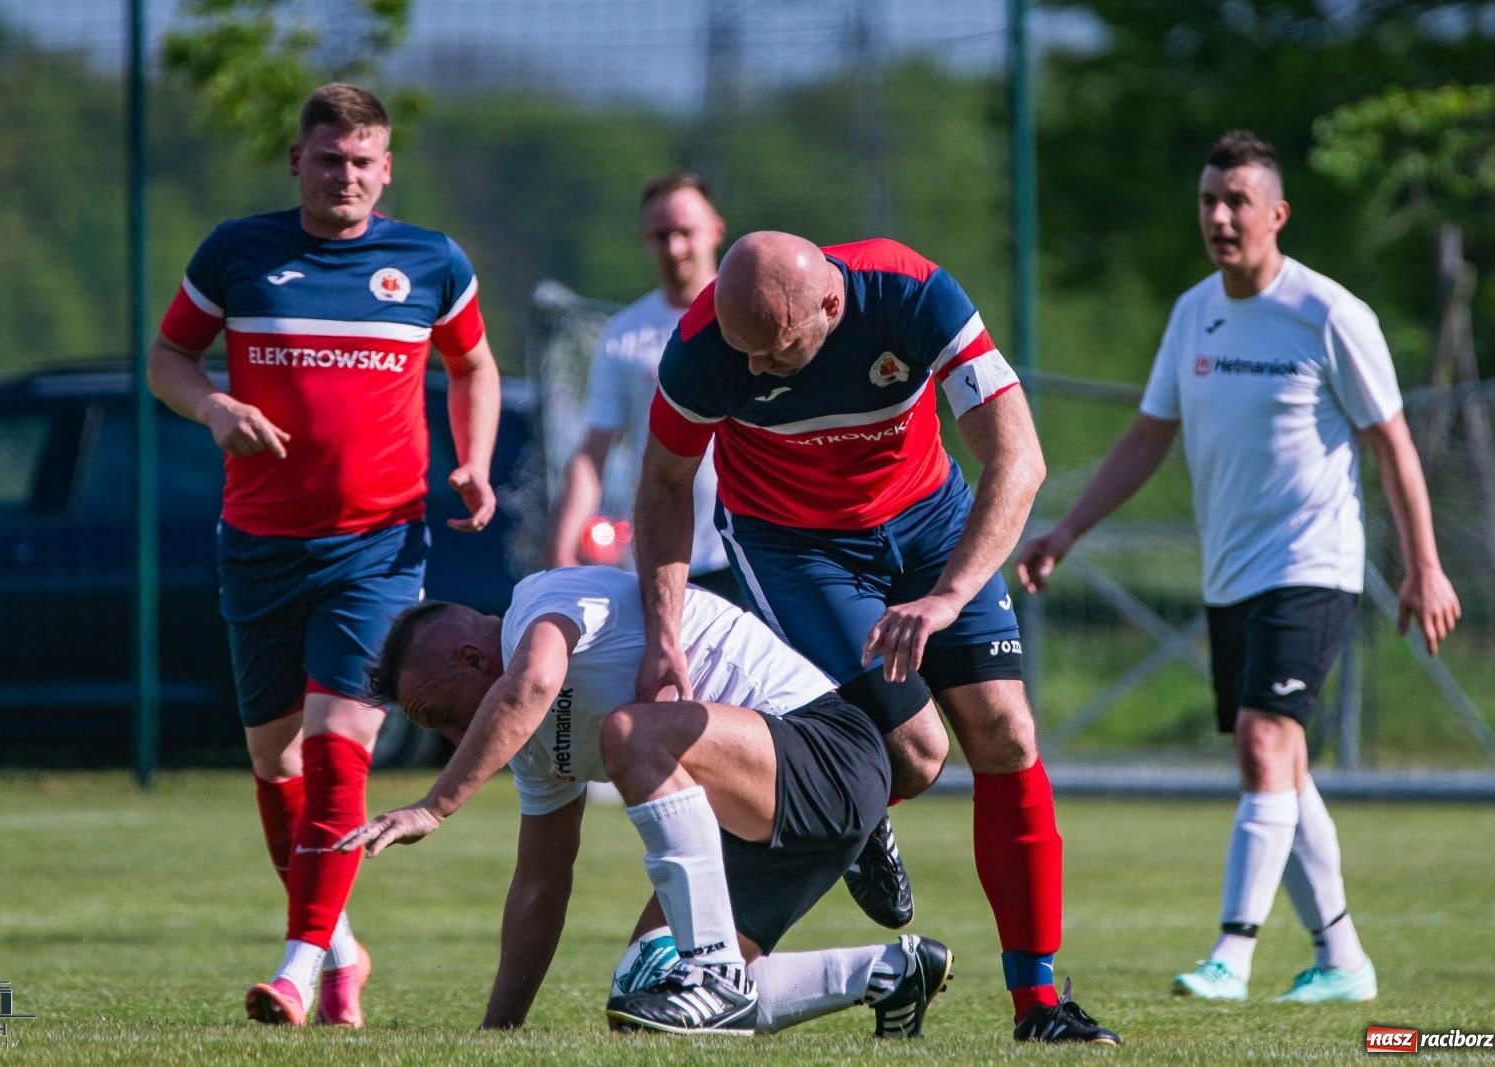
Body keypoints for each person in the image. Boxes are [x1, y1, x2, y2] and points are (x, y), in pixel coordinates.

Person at [633, 231, 1120, 1045]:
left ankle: (1039, 1007)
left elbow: (1018, 455)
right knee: (915, 752)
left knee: (1006, 731)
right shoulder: (707, 347)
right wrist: (662, 632)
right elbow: (663, 482)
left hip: (929, 523)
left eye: (774, 350)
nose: (752, 371)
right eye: (741, 350)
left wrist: (950, 595)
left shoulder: (910, 292)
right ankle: (701, 949)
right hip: (796, 546)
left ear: (831, 303)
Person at [1016, 130, 1461, 1004]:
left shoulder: (1329, 313)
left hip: (1315, 563)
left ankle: (1232, 951)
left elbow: (1393, 444)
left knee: (1265, 743)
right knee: (1282, 769)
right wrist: (1064, 530)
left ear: (1277, 214)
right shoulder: (1194, 314)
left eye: (1237, 202)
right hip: (1233, 575)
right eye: (1208, 202)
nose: (1219, 217)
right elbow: (1149, 435)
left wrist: (1425, 566)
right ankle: (1343, 961)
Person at [146, 83, 502, 1028]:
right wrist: (214, 406)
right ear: (297, 162)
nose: (345, 174)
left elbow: (472, 363)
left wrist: (474, 458)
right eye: (329, 157)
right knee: (275, 761)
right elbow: (167, 359)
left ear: (386, 170)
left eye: (363, 160)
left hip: (379, 543)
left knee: (342, 736)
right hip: (259, 542)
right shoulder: (238, 252)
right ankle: (339, 943)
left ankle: (298, 965)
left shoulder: (430, 261)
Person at [335, 566, 955, 1037]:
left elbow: (532, 683)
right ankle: (890, 973)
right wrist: (497, 1034)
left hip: (830, 754)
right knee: (644, 999)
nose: (453, 739)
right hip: (753, 823)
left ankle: (713, 966)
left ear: (473, 659)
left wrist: (436, 805)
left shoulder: (536, 606)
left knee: (631, 733)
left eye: (444, 716)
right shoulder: (531, 752)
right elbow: (539, 888)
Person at [547, 173, 745, 604]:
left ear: (716, 230)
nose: (674, 248)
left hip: (752, 550)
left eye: (685, 232)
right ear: (645, 239)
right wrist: (562, 549)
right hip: (666, 559)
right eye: (661, 235)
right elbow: (594, 449)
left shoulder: (750, 318)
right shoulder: (624, 335)